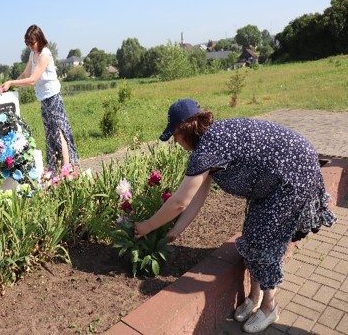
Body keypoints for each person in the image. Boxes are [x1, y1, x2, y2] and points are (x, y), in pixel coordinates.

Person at [134, 98, 337, 333]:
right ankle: (254, 296)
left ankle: (270, 307)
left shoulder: (206, 150)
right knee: (253, 233)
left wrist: (146, 226)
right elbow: (197, 196)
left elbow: (180, 202)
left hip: (292, 174)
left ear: (185, 129)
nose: (176, 143)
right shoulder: (212, 139)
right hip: (276, 177)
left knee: (264, 241)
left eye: (175, 136)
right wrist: (174, 232)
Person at [0, 24, 79, 173]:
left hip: (53, 97)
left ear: (40, 40)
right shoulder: (32, 54)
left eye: (32, 43)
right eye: (27, 43)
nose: (30, 46)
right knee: (50, 133)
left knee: (59, 131)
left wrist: (11, 83)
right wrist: (8, 84)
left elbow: (33, 79)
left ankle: (67, 167)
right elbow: (26, 75)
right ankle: (56, 167)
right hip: (44, 98)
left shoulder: (45, 54)